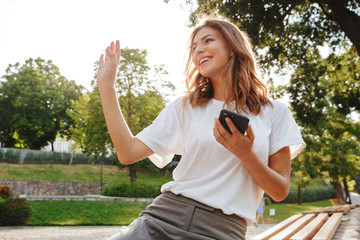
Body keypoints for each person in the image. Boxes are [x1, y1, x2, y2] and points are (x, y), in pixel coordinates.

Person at [97, 17, 305, 240]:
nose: (199, 50)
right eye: (194, 47)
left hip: (223, 231)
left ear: (233, 48)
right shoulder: (185, 106)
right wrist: (107, 86)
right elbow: (127, 152)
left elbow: (279, 191)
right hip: (163, 218)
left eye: (208, 40)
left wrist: (246, 154)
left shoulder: (275, 112)